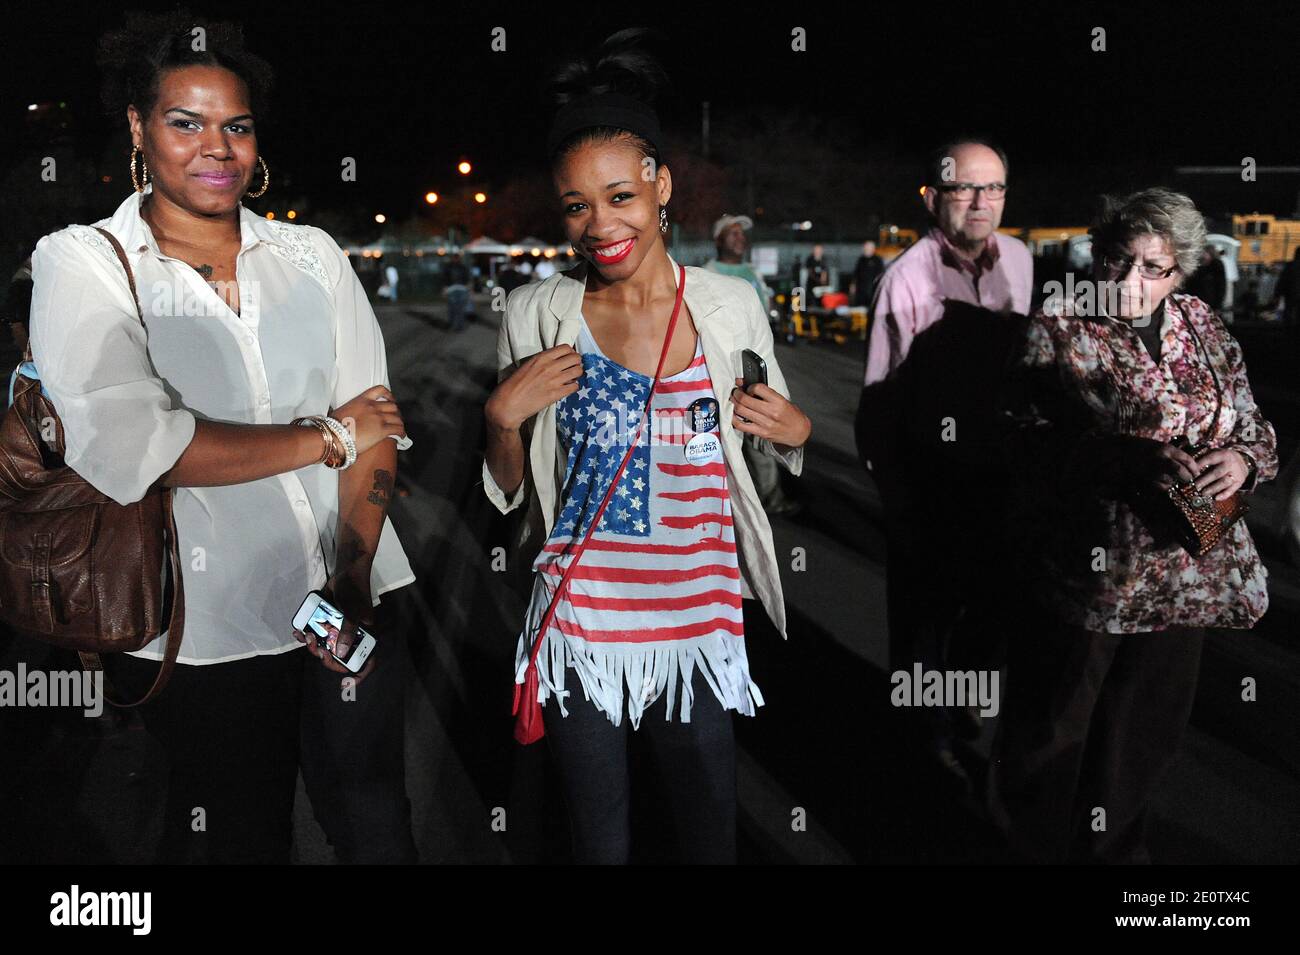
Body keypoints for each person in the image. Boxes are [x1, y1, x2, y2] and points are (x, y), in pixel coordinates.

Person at [23, 13, 417, 864]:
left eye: (235, 125)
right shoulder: (84, 261)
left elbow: (375, 422)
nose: (218, 147)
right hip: (201, 633)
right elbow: (136, 444)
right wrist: (325, 439)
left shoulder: (311, 255)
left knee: (378, 823)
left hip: (338, 604)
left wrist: (350, 575)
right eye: (185, 122)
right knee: (237, 835)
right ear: (138, 127)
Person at [481, 31, 810, 864]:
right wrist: (500, 422)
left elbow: (774, 435)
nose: (601, 225)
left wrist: (797, 430)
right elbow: (514, 494)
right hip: (581, 620)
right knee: (600, 841)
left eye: (620, 194)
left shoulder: (730, 306)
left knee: (707, 834)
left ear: (661, 185)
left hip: (699, 620)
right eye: (576, 205)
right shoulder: (533, 312)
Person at [992, 187, 1278, 863]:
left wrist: (1241, 459)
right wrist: (1120, 456)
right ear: (1100, 254)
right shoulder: (1061, 322)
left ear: (1182, 270)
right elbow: (1020, 435)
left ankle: (1116, 860)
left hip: (1188, 571)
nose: (1130, 282)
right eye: (1120, 261)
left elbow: (1255, 425)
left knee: (1143, 738)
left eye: (1155, 268)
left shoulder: (1204, 324)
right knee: (1054, 734)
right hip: (1092, 575)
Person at [856, 138, 1033, 787]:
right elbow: (878, 398)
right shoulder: (907, 277)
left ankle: (960, 712)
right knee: (924, 624)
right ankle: (922, 742)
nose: (982, 201)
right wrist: (894, 493)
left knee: (991, 614)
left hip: (1001, 482)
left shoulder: (1019, 260)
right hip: (928, 484)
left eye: (995, 188)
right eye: (964, 187)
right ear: (931, 197)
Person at [706, 214, 798, 517]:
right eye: (732, 233)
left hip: (757, 374)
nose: (739, 238)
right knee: (724, 440)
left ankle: (770, 497)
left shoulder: (752, 274)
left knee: (761, 435)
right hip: (720, 373)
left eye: (742, 234)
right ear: (718, 239)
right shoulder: (705, 276)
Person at [1185, 245, 1225, 311]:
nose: (1202, 255)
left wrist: (1218, 305)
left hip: (1210, 302)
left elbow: (1221, 286)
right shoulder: (1199, 268)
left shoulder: (1216, 266)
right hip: (1197, 301)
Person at [850, 238, 884, 309]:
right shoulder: (861, 260)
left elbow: (880, 275)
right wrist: (853, 285)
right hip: (860, 290)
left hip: (871, 290)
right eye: (865, 247)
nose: (865, 249)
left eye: (867, 247)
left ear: (872, 249)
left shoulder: (877, 260)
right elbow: (856, 274)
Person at [443, 252, 471, 331]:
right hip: (462, 288)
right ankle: (459, 326)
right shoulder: (463, 267)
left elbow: (445, 278)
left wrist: (445, 288)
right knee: (460, 309)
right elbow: (467, 278)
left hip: (451, 289)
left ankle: (452, 324)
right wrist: (468, 289)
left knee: (452, 308)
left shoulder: (448, 267)